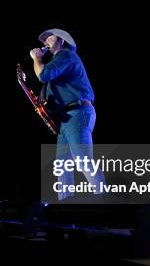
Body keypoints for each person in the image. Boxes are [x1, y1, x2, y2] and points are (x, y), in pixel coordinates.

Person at [30, 28, 104, 200]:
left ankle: (105, 200)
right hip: (66, 118)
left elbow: (43, 74)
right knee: (62, 167)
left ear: (62, 41)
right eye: (44, 40)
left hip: (77, 112)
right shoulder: (58, 62)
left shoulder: (65, 55)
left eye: (50, 38)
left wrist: (37, 58)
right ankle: (64, 206)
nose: (46, 42)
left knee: (82, 159)